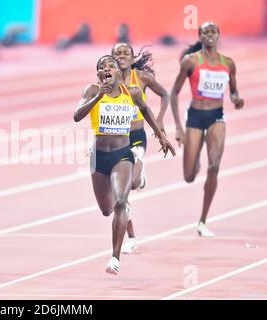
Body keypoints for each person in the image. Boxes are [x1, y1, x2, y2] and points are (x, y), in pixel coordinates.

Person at [73, 55, 175, 275]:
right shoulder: (92, 90)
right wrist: (99, 95)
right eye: (102, 67)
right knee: (106, 209)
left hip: (122, 155)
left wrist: (161, 136)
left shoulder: (132, 92)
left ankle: (115, 257)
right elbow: (76, 116)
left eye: (111, 66)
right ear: (98, 74)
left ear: (119, 72)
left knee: (120, 202)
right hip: (99, 157)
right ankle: (130, 185)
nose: (107, 69)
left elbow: (146, 111)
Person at [170, 22, 244, 237]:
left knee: (214, 166)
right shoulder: (190, 61)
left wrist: (236, 100)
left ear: (219, 35)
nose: (210, 35)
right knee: (189, 176)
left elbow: (233, 92)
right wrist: (178, 128)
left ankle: (203, 220)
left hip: (216, 117)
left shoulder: (228, 63)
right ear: (200, 36)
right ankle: (195, 160)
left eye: (213, 31)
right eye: (205, 32)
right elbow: (174, 93)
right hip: (195, 117)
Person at [111, 43, 170, 254]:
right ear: (112, 57)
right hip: (116, 140)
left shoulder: (142, 78)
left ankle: (140, 171)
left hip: (136, 137)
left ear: (133, 56)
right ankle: (132, 238)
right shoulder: (108, 81)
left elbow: (165, 94)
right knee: (121, 194)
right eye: (117, 53)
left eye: (126, 53)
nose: (122, 56)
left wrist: (161, 121)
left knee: (133, 182)